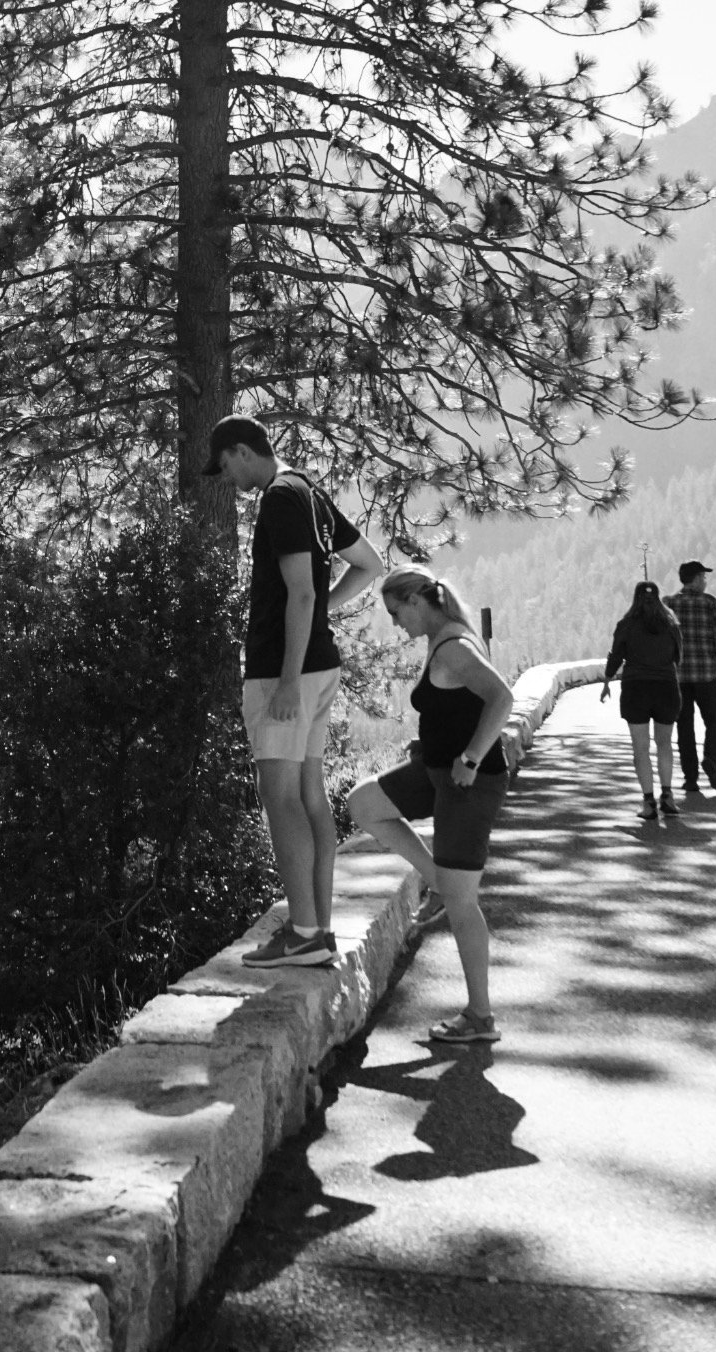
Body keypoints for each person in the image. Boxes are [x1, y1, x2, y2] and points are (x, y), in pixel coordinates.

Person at [203, 415, 383, 967]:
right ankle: (318, 930)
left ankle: (304, 934)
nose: (228, 478)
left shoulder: (280, 498)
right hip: (317, 668)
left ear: (240, 451)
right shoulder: (308, 490)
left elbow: (301, 595)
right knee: (308, 795)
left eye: (226, 465)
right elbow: (370, 564)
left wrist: (284, 678)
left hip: (287, 673)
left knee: (278, 798)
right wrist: (320, 621)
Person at [348, 566, 513, 1045]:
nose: (397, 624)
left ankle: (480, 1017)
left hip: (467, 783)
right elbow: (454, 710)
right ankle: (436, 880)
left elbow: (501, 698)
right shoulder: (443, 638)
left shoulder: (455, 647)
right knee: (364, 803)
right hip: (438, 772)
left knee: (464, 904)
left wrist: (472, 757)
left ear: (417, 602)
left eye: (397, 612)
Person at [601, 581, 683, 821]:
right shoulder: (671, 625)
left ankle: (649, 802)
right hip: (666, 687)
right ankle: (667, 796)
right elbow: (678, 656)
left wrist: (607, 681)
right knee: (664, 744)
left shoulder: (626, 625)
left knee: (641, 748)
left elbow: (616, 656)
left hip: (636, 689)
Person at [663, 561, 716, 793]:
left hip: (678, 678)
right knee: (713, 721)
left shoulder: (668, 604)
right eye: (703, 577)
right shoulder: (711, 603)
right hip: (706, 675)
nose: (705, 581)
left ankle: (690, 778)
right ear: (694, 578)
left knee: (684, 727)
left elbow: (663, 640)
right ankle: (711, 760)